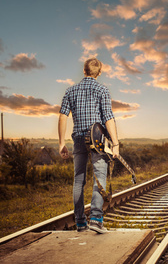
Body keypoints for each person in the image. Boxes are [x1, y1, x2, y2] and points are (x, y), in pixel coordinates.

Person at [58, 57, 119, 234]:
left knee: (78, 180)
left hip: (78, 138)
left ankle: (80, 222)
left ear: (84, 71)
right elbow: (108, 117)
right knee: (99, 177)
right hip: (97, 139)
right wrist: (115, 143)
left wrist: (62, 142)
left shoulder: (70, 90)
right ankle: (96, 219)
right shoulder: (102, 89)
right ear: (99, 73)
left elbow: (63, 116)